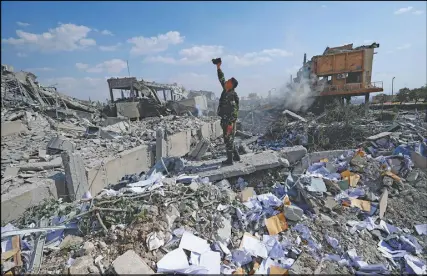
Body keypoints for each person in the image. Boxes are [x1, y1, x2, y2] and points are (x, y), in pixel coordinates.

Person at [215, 59, 240, 165]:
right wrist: (218, 67)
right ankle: (237, 156)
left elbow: (234, 111)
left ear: (231, 85)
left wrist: (231, 123)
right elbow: (221, 79)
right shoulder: (226, 90)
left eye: (228, 81)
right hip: (224, 119)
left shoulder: (232, 95)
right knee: (228, 139)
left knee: (228, 139)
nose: (226, 81)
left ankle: (230, 160)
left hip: (229, 121)